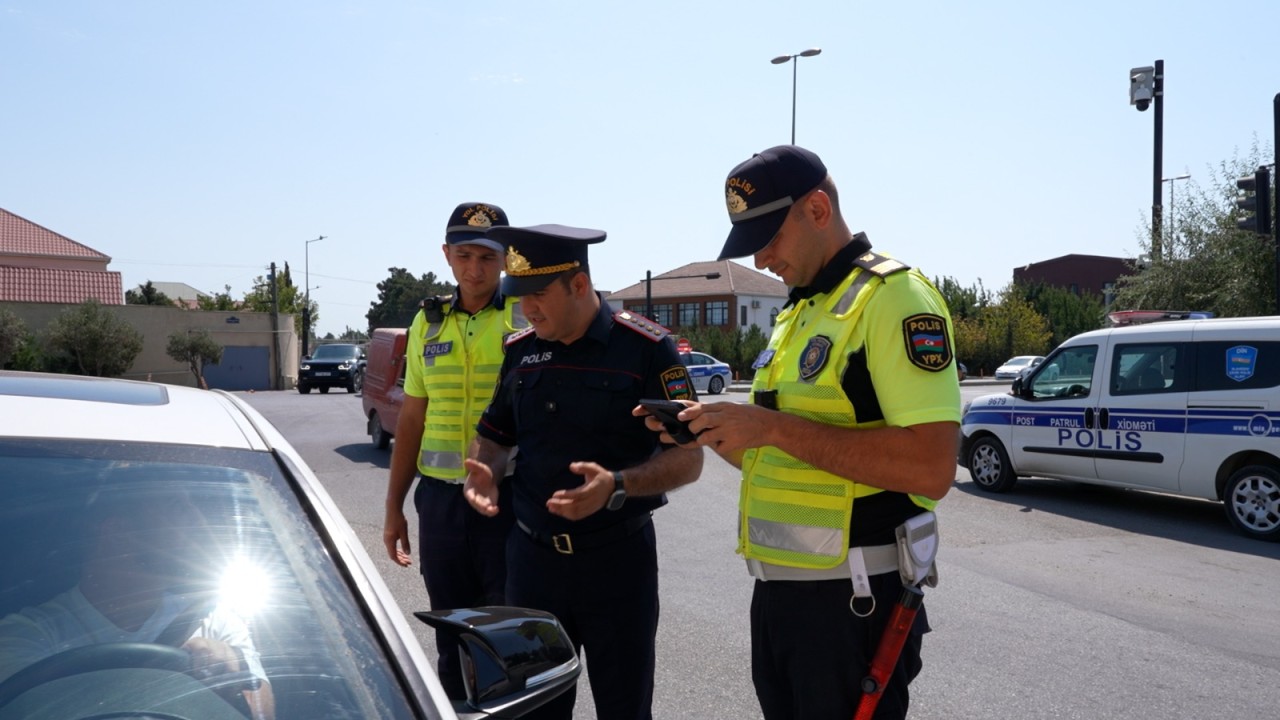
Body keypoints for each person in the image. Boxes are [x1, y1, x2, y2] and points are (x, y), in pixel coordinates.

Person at [647, 145, 960, 720]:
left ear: (817, 210)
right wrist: (712, 432)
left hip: (853, 601)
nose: (762, 258)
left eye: (769, 237)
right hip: (782, 598)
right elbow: (781, 454)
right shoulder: (801, 310)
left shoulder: (893, 297)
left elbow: (931, 467)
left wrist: (772, 426)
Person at [462, 223, 704, 720]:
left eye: (539, 294)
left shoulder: (646, 348)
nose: (528, 308)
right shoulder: (521, 351)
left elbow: (688, 457)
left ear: (579, 284)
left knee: (624, 709)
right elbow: (495, 435)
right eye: (520, 296)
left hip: (617, 565)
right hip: (532, 567)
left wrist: (618, 485)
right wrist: (484, 469)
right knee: (534, 711)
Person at [382, 201, 525, 700]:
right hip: (441, 504)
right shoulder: (428, 322)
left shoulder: (526, 313)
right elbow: (412, 419)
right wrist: (394, 506)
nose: (475, 269)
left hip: (509, 500)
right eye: (464, 256)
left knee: (507, 636)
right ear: (446, 255)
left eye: (487, 257)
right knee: (450, 633)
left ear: (506, 259)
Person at [0, 482, 275, 720]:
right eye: (176, 507)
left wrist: (232, 676)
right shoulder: (28, 635)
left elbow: (261, 714)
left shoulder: (214, 620)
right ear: (118, 531)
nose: (199, 520)